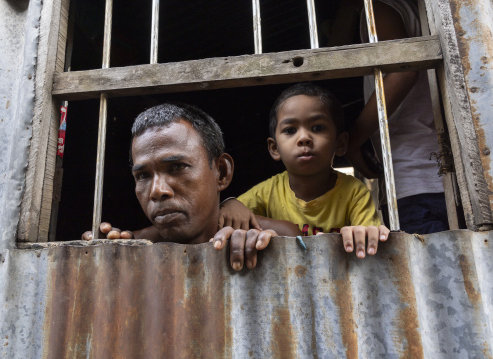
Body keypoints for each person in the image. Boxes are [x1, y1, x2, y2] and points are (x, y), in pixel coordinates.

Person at [82, 102, 300, 271]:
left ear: (222, 172)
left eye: (177, 167)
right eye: (143, 175)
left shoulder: (280, 237)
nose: (157, 190)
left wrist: (269, 251)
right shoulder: (130, 246)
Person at [220, 83, 390, 259]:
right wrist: (230, 202)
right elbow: (227, 215)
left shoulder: (354, 193)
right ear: (274, 148)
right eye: (290, 130)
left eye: (317, 128)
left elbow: (370, 242)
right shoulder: (265, 193)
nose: (303, 138)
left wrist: (361, 235)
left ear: (340, 143)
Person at [344, 0, 449, 234]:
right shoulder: (426, 11)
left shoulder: (378, 7)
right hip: (449, 179)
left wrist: (353, 143)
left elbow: (403, 73)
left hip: (413, 179)